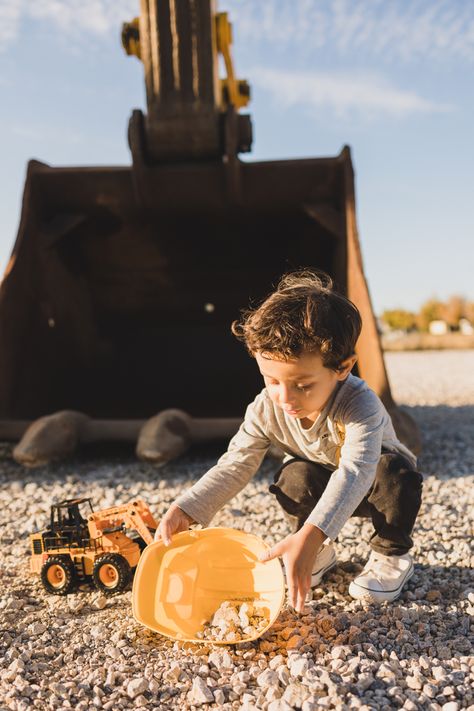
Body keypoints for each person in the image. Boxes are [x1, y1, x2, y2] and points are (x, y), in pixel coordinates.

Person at [155, 270, 422, 612]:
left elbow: (356, 472)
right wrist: (186, 508)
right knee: (292, 475)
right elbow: (236, 463)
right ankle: (317, 553)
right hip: (322, 486)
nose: (285, 397)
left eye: (303, 385)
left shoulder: (360, 405)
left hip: (374, 487)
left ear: (342, 368)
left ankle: (391, 555)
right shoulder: (266, 408)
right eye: (271, 380)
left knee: (395, 471)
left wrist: (312, 533)